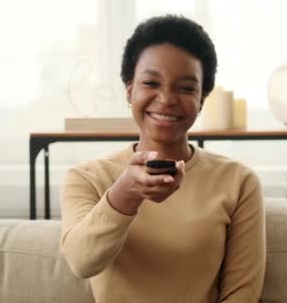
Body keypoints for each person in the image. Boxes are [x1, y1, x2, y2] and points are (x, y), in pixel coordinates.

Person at [60, 15, 266, 303]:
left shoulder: (239, 182)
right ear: (130, 90)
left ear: (202, 100)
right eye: (151, 82)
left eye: (185, 88)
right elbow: (82, 262)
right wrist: (125, 195)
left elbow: (241, 294)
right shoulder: (86, 178)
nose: (167, 99)